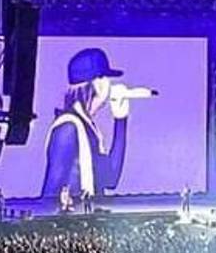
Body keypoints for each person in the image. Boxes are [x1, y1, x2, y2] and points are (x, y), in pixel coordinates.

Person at [41, 48, 141, 199]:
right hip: (72, 220)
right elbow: (50, 193)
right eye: (107, 78)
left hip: (86, 217)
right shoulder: (69, 128)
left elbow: (110, 178)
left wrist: (121, 118)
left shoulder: (86, 128)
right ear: (99, 83)